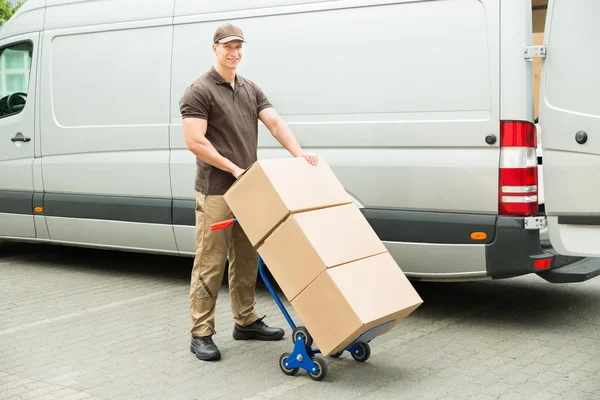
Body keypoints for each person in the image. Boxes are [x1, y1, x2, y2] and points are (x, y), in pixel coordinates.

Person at [179, 23, 318, 362]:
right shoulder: (198, 91)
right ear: (215, 49)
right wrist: (233, 168)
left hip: (248, 190)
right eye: (227, 46)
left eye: (239, 46)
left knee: (246, 258)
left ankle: (245, 321)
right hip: (216, 192)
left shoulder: (250, 88)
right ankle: (201, 332)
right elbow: (195, 142)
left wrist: (299, 155)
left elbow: (274, 123)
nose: (234, 52)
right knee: (210, 262)